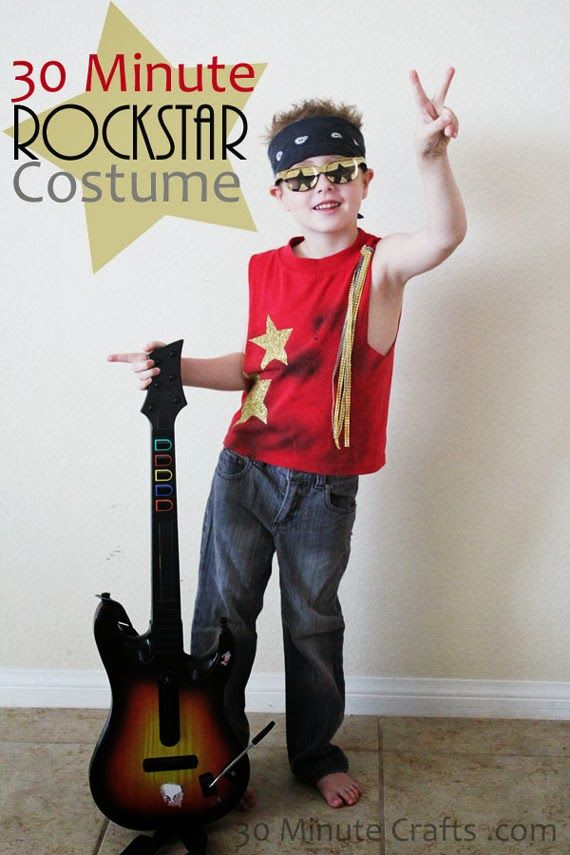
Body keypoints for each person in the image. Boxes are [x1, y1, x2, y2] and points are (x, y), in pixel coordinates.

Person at [108, 67, 467, 810]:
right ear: (278, 195)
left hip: (322, 489)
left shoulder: (381, 266)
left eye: (339, 171)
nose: (323, 186)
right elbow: (254, 366)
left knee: (311, 623)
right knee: (221, 617)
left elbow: (443, 237)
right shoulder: (264, 267)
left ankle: (315, 752)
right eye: (302, 177)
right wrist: (172, 365)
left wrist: (432, 158)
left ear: (364, 181)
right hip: (244, 470)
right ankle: (217, 744)